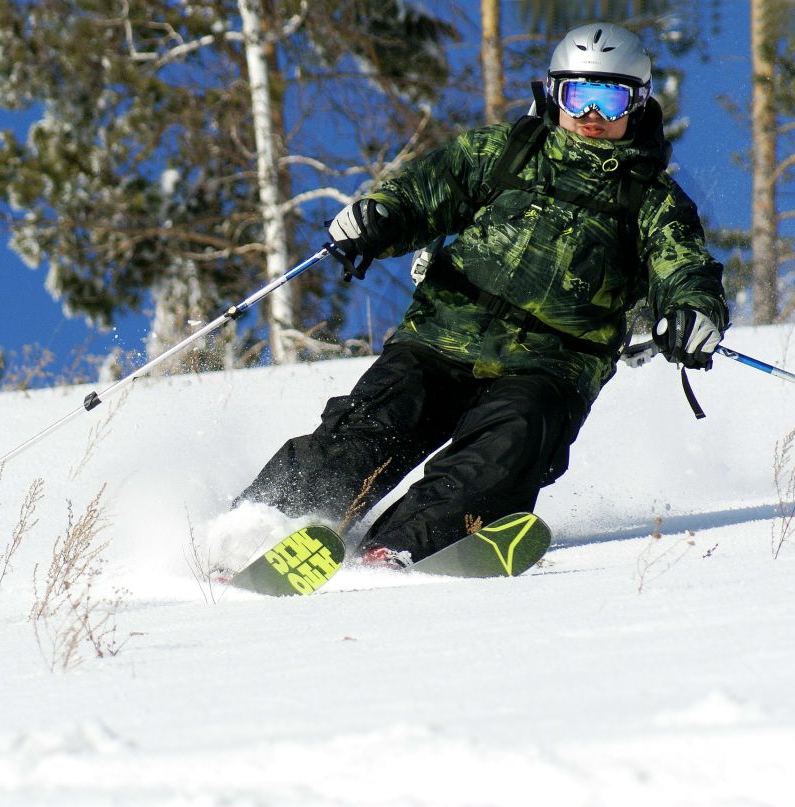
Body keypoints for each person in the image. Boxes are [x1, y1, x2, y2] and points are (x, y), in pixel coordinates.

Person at [231, 22, 729, 569]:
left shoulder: (653, 201)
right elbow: (420, 195)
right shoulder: (503, 153)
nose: (593, 114)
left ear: (637, 103)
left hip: (549, 369)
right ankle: (262, 527)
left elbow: (684, 268)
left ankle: (400, 548)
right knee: (373, 425)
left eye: (610, 99)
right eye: (578, 94)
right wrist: (380, 217)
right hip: (440, 340)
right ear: (553, 93)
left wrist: (692, 312)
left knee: (505, 448)